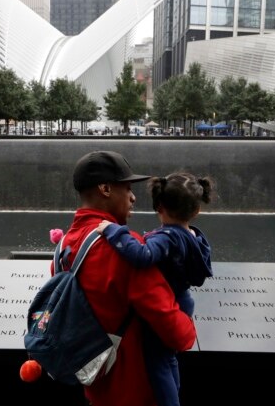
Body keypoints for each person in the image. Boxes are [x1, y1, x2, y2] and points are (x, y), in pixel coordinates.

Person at [59, 151, 196, 406]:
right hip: (139, 389)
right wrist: (189, 324)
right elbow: (177, 332)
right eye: (127, 188)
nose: (133, 197)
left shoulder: (65, 246)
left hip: (95, 380)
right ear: (105, 189)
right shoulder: (125, 251)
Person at [96, 172, 214, 406]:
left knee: (156, 361)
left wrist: (113, 231)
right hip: (184, 300)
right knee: (167, 357)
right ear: (196, 211)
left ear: (159, 206)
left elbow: (142, 255)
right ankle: (175, 391)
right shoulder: (194, 238)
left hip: (167, 304)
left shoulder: (167, 238)